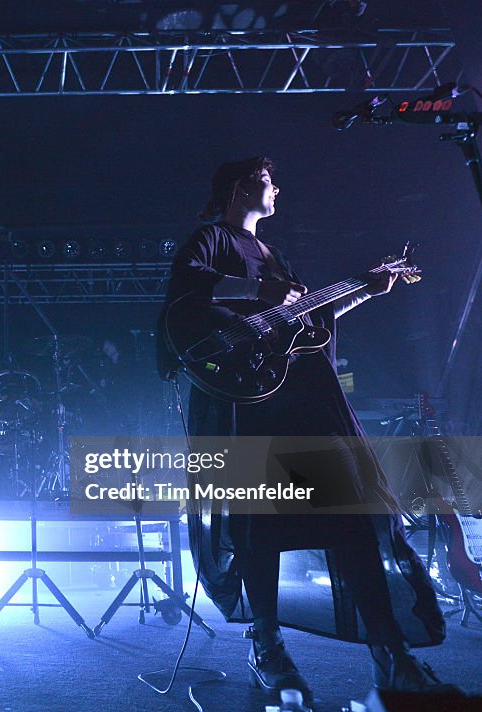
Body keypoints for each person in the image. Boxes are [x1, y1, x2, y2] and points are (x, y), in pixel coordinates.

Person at [156, 157, 462, 702]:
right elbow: (187, 291)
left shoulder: (274, 255)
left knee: (353, 515)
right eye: (270, 181)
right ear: (240, 186)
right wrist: (261, 295)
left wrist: (367, 289)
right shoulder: (211, 240)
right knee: (259, 526)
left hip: (301, 400)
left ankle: (391, 656)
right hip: (245, 408)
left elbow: (305, 324)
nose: (278, 190)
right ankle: (267, 645)